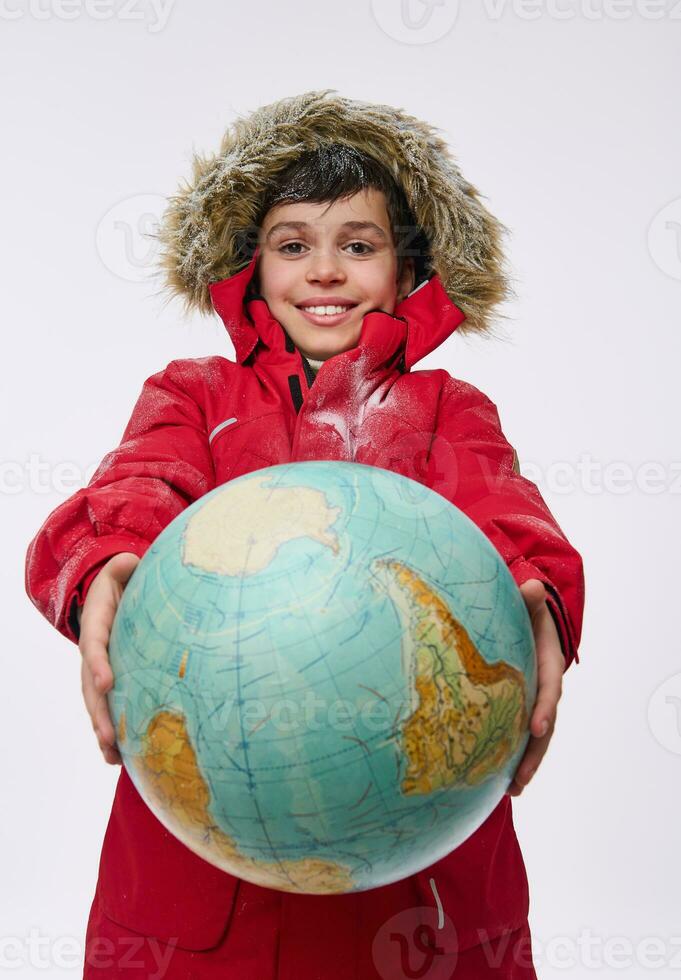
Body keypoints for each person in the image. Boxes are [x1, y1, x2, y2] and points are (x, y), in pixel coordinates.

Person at [25, 89, 585, 979]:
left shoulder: (447, 410)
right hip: (207, 855)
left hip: (415, 864)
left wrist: (532, 595)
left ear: (407, 273)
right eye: (293, 247)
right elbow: (139, 484)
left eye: (357, 246)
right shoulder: (193, 394)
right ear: (250, 269)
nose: (324, 272)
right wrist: (109, 563)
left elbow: (506, 516)